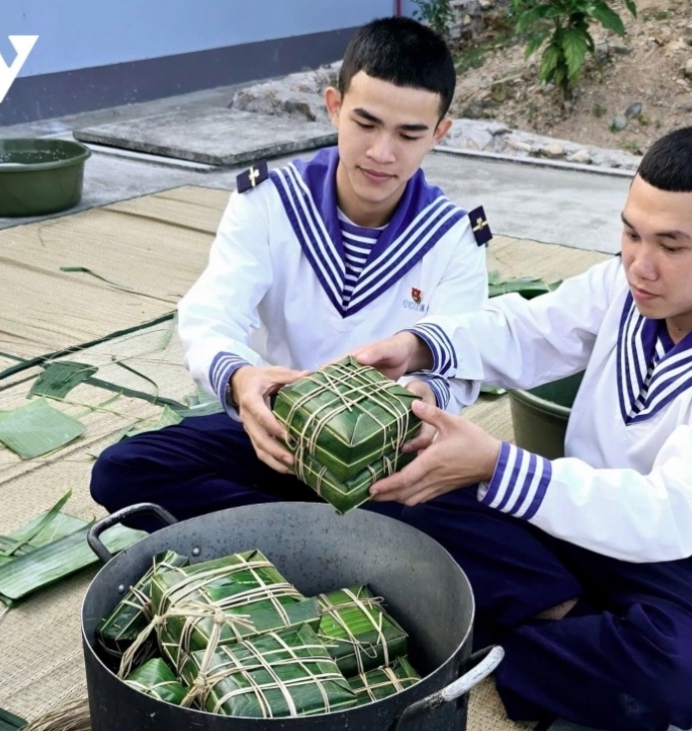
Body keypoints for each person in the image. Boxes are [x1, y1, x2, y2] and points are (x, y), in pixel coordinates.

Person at [350, 125, 692, 731]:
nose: (641, 263)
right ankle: (568, 630)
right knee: (406, 500)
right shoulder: (626, 285)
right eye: (631, 232)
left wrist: (500, 467)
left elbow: (671, 515)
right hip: (573, 529)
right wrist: (419, 345)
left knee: (682, 670)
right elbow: (530, 330)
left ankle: (508, 642)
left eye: (671, 244)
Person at [88, 16, 490, 526]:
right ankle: (335, 538)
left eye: (409, 134)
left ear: (438, 133)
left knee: (513, 549)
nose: (381, 153)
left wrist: (427, 396)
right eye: (365, 123)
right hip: (277, 434)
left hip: (386, 460)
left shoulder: (452, 236)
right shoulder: (272, 202)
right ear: (334, 107)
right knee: (124, 472)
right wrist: (240, 378)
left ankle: (280, 532)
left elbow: (457, 360)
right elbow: (212, 314)